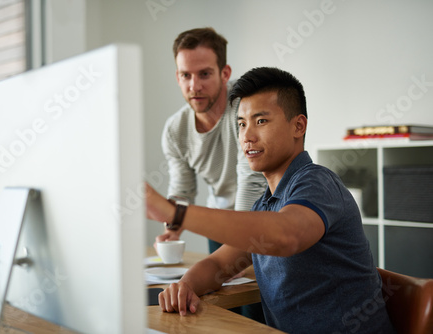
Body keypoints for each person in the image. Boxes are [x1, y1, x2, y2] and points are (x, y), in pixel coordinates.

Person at [145, 67, 395, 333]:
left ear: (298, 126)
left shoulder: (318, 183)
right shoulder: (264, 204)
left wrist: (176, 212)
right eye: (241, 124)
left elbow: (286, 235)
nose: (247, 136)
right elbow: (219, 263)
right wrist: (186, 285)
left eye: (261, 121)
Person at [158, 27, 266, 254]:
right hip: (221, 223)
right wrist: (174, 226)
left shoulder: (244, 106)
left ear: (225, 73)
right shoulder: (175, 130)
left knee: (260, 288)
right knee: (219, 288)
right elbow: (182, 189)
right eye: (186, 75)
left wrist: (239, 245)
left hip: (263, 219)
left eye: (204, 74)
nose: (194, 86)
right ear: (178, 77)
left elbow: (251, 181)